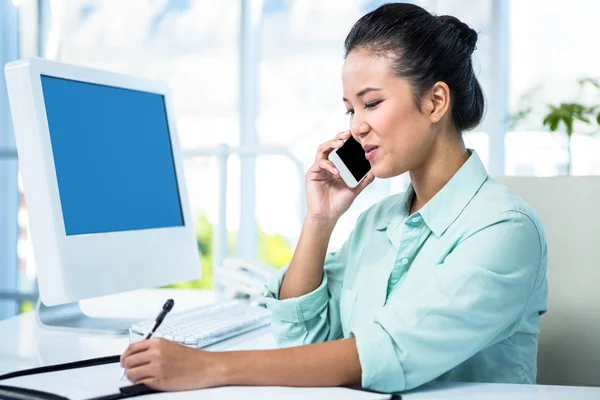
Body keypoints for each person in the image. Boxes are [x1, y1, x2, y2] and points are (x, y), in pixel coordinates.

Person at [120, 3, 548, 394]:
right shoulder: (376, 222)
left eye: (372, 103)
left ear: (435, 101)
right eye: (350, 109)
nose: (357, 127)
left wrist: (210, 368)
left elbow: (387, 355)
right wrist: (320, 220)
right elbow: (304, 339)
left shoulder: (505, 229)